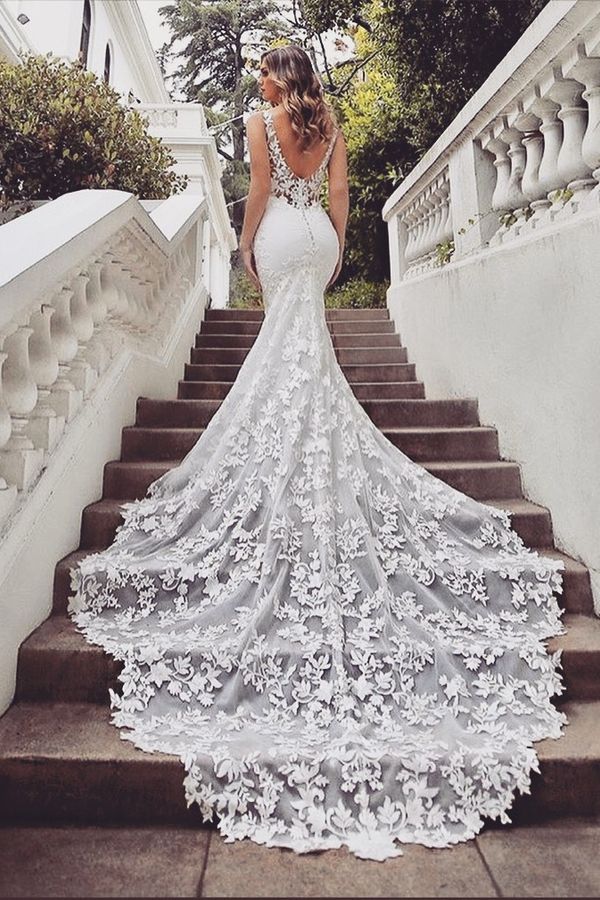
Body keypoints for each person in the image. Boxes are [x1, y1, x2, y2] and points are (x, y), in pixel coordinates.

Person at [69, 44, 566, 861]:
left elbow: (261, 191)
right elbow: (339, 199)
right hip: (315, 246)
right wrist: (330, 253)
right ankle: (310, 460)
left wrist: (243, 245)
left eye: (266, 72)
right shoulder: (325, 119)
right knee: (306, 361)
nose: (260, 84)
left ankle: (287, 470)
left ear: (277, 77)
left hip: (278, 239)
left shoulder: (262, 122)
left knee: (282, 358)